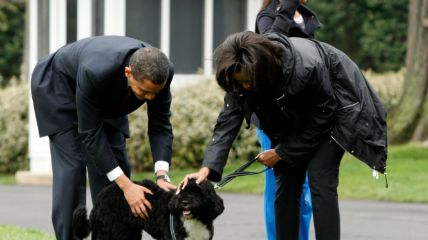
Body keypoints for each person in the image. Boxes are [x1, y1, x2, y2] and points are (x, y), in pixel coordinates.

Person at [180, 31, 387, 240]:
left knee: (320, 180)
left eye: (248, 81)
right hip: (295, 118)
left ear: (263, 70)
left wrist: (282, 152)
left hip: (333, 114)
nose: (245, 87)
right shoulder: (240, 76)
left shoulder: (306, 67)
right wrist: (207, 168)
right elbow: (227, 121)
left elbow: (323, 115)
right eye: (240, 83)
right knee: (286, 182)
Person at [31, 36, 176, 240]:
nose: (150, 98)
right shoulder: (95, 71)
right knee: (73, 169)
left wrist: (162, 175)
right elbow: (90, 133)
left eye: (155, 92)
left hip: (108, 96)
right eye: (144, 91)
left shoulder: (163, 71)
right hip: (60, 88)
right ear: (129, 72)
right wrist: (126, 186)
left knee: (116, 167)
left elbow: (160, 125)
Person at [255, 1, 321, 239]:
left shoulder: (306, 16)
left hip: (302, 117)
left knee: (303, 191)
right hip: (273, 118)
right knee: (277, 188)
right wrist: (286, 7)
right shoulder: (267, 16)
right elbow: (272, 45)